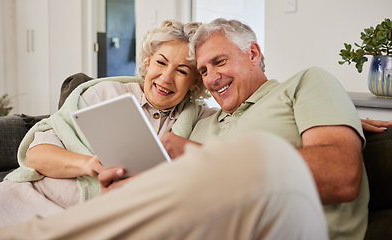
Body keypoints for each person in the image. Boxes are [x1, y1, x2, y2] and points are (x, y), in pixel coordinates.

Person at [0, 20, 215, 232]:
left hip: (86, 219)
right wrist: (90, 165)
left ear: (195, 81)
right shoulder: (104, 93)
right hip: (30, 196)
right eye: (161, 63)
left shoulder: (197, 121)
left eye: (181, 71)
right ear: (148, 61)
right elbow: (35, 155)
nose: (165, 77)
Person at [159, 18, 377, 240]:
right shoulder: (202, 121)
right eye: (203, 71)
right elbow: (149, 87)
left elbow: (340, 176)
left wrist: (204, 159)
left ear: (253, 54)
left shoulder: (304, 84)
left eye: (220, 62)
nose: (212, 79)